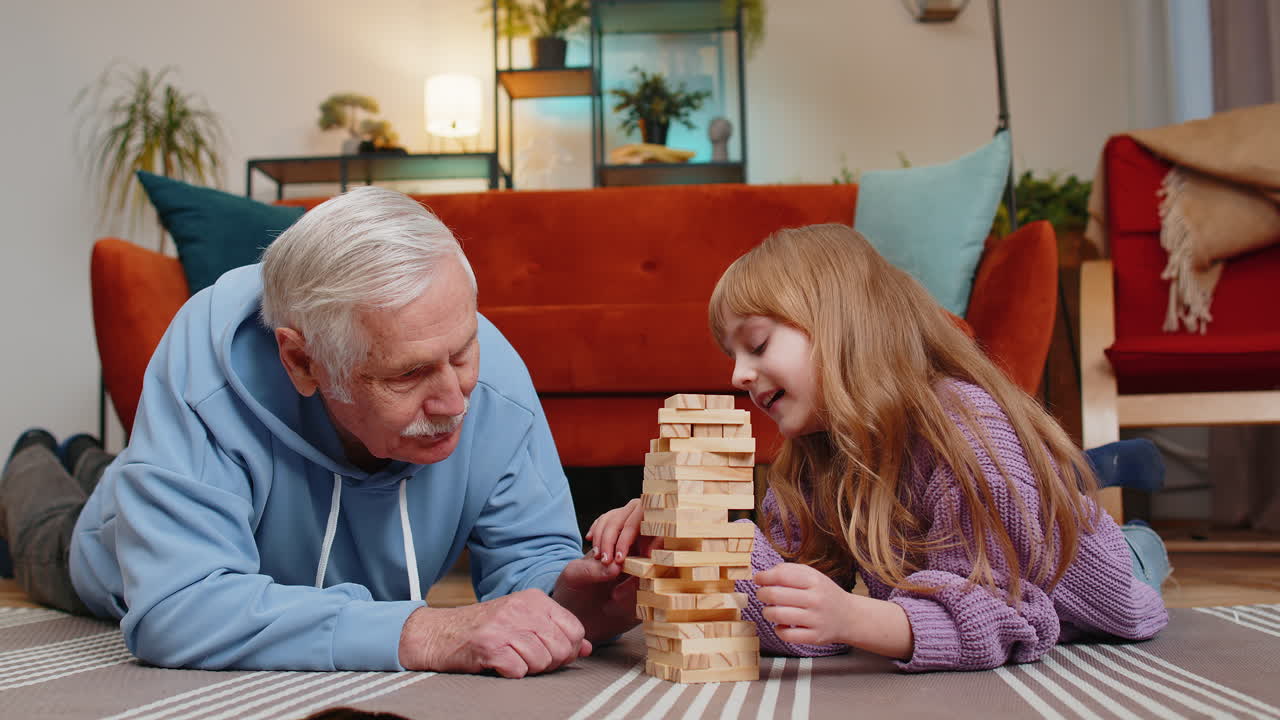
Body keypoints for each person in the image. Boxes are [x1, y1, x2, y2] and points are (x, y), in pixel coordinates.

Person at [0, 187, 636, 675]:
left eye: (463, 352)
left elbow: (530, 565)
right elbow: (175, 607)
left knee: (109, 464)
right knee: (41, 520)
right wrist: (426, 632)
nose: (453, 400)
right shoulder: (203, 360)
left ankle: (97, 458)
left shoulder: (487, 371)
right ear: (301, 361)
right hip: (98, 547)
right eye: (408, 374)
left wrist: (580, 598)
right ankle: (35, 451)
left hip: (174, 479)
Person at [587, 223, 1170, 672]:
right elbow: (795, 614)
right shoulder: (817, 457)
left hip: (1086, 579)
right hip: (996, 524)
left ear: (845, 325)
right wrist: (694, 539)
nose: (739, 374)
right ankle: (1086, 478)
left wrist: (857, 616)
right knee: (1050, 485)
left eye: (758, 343)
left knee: (1133, 550)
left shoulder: (967, 437)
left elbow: (1013, 621)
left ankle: (1123, 510)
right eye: (732, 356)